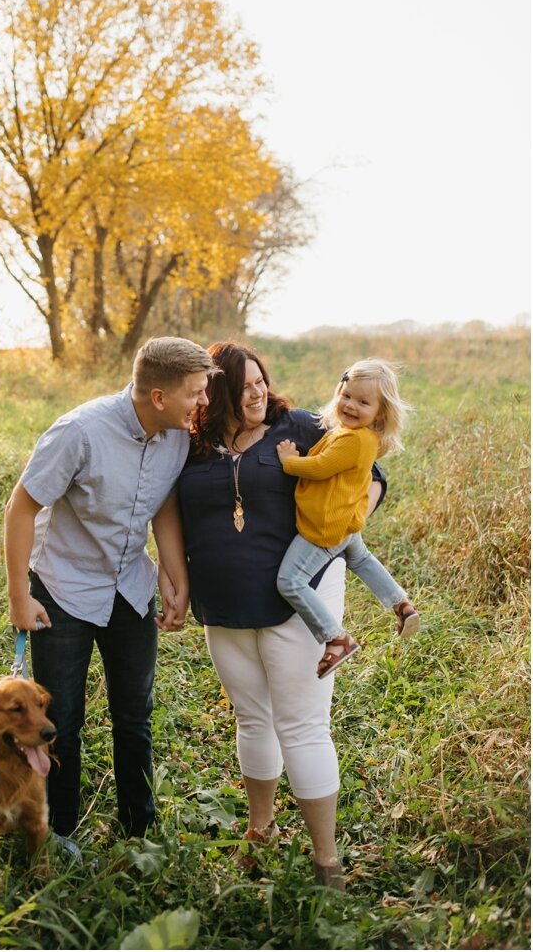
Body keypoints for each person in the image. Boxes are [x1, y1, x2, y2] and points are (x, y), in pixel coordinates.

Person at [166, 341, 387, 890]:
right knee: (251, 720)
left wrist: (342, 532)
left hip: (299, 602)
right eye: (244, 386)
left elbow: (373, 474)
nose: (258, 391)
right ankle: (259, 830)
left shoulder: (305, 426)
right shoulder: (190, 445)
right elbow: (165, 510)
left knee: (303, 726)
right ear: (216, 394)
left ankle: (326, 861)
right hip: (223, 604)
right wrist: (177, 581)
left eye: (261, 380)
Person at [2, 336, 212, 855]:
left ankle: (139, 827)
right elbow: (20, 510)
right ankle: (57, 833)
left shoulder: (177, 435)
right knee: (61, 724)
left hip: (130, 588)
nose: (203, 402)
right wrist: (17, 598)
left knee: (135, 713)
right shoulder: (79, 432)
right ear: (159, 396)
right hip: (64, 589)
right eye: (195, 393)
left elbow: (162, 504)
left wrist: (170, 569)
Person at [273, 358, 420, 676]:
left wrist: (289, 461)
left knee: (290, 581)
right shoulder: (358, 435)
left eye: (363, 402)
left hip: (325, 527)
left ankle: (335, 639)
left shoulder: (353, 440)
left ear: (380, 412)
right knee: (361, 559)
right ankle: (401, 604)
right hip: (345, 519)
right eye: (347, 395)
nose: (351, 405)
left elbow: (320, 467)